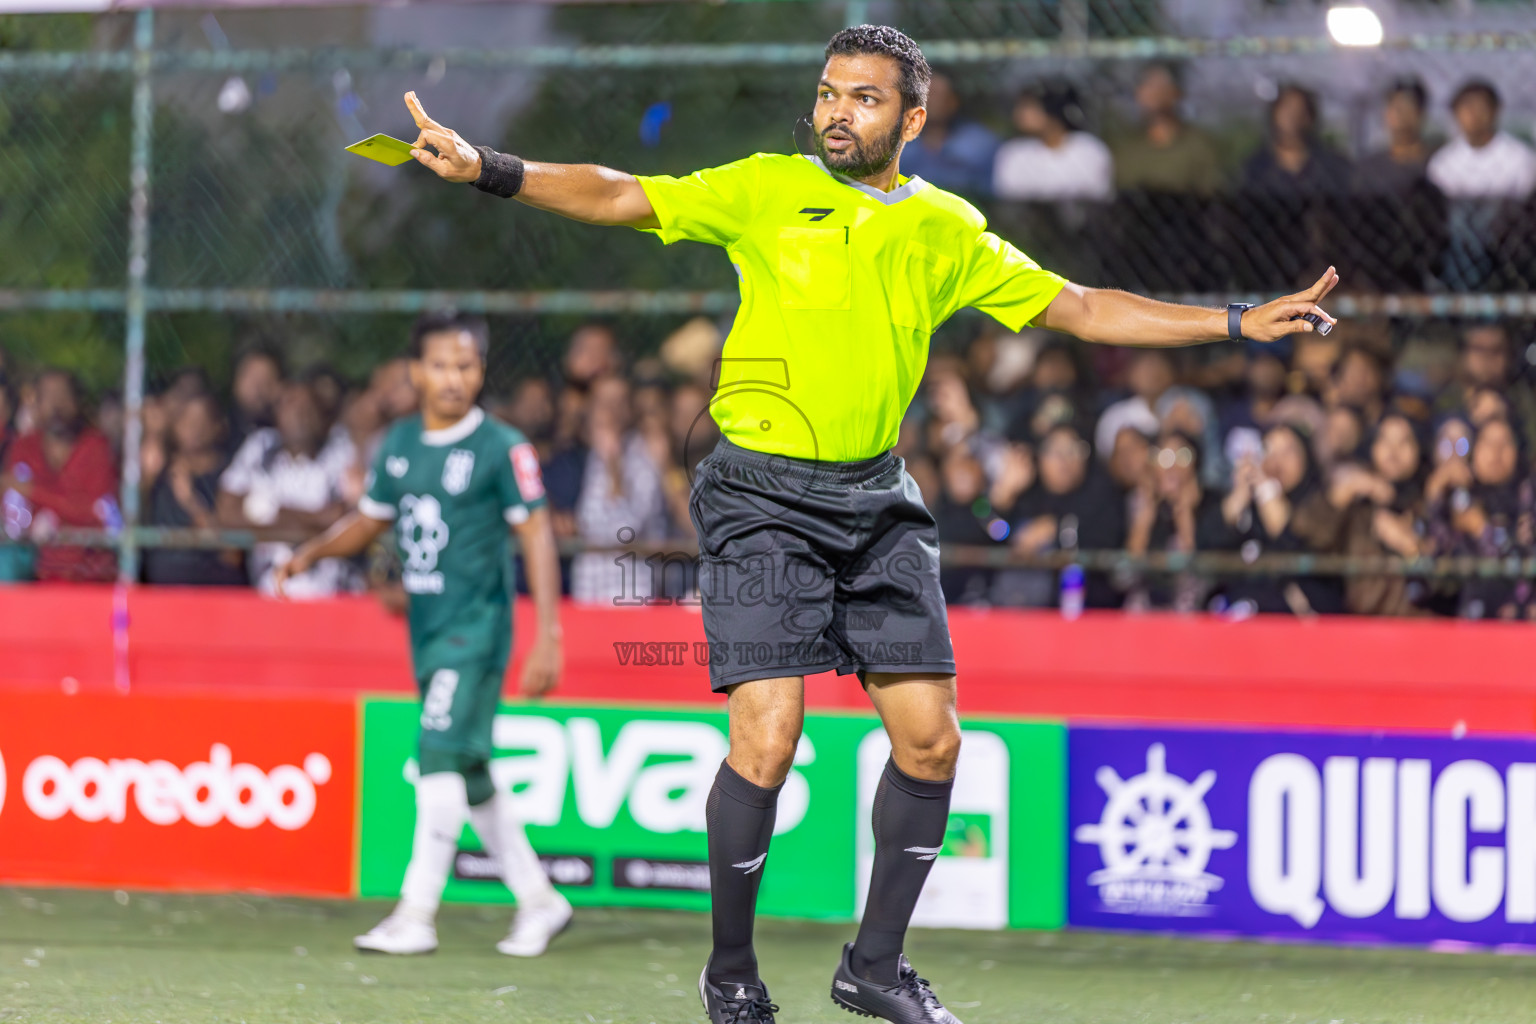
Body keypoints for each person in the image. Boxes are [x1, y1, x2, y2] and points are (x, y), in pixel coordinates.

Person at [402, 24, 1336, 1023]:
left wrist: (1235, 321)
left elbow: (1082, 308)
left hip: (876, 500)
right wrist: (490, 168)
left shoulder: (945, 228)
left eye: (864, 98)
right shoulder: (764, 187)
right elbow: (623, 192)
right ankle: (730, 973)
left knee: (934, 743)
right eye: (828, 93)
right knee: (769, 733)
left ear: (914, 118)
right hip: (757, 492)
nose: (837, 111)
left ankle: (873, 968)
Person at [273, 311, 571, 956]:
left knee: (435, 755)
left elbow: (536, 533)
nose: (453, 378)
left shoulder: (501, 446)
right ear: (415, 372)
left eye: (465, 365)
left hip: (477, 628)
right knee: (468, 769)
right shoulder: (401, 443)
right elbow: (369, 520)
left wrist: (549, 633)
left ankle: (416, 913)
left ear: (480, 372)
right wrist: (313, 554)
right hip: (429, 631)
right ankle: (540, 900)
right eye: (440, 365)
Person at [217, 380, 360, 597]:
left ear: (323, 417)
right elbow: (227, 513)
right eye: (290, 406)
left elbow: (348, 520)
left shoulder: (341, 451)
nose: (299, 416)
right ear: (277, 414)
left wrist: (270, 513)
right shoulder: (260, 447)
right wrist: (315, 520)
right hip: (269, 594)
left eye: (307, 408)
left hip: (330, 595)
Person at [0, 369, 120, 582]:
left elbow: (97, 513)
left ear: (78, 402)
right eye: (48, 397)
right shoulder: (23, 447)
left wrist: (33, 491)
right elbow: (15, 518)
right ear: (35, 404)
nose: (57, 405)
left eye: (64, 396)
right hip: (34, 574)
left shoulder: (97, 448)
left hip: (90, 572)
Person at [142, 393, 247, 587]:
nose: (194, 429)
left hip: (213, 590)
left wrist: (190, 501)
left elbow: (232, 554)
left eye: (202, 421)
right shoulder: (162, 472)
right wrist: (154, 432)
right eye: (186, 421)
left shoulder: (233, 476)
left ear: (219, 426)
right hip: (160, 590)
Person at [992, 81, 1113, 201]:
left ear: (1052, 108)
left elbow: (1097, 200)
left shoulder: (1090, 151)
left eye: (1028, 106)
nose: (1019, 113)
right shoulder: (1012, 154)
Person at [1112, 62, 1221, 196]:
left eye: (1158, 85)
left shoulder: (1197, 146)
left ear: (1176, 92)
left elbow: (1211, 193)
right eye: (1145, 84)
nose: (1151, 92)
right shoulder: (1126, 148)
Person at [1426, 80, 1536, 200]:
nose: (1474, 115)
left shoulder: (1521, 158)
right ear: (1455, 114)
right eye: (1467, 108)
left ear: (1495, 110)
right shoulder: (1443, 162)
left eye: (1481, 107)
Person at [895, 72, 998, 197]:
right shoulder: (898, 144)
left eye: (935, 94)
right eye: (923, 94)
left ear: (953, 101)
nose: (929, 101)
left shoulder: (979, 143)